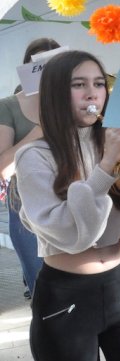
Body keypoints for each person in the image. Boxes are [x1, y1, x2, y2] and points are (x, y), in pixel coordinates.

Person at [15, 50, 120, 361]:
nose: (92, 93)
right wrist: (104, 169)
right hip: (65, 296)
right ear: (56, 93)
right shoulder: (34, 155)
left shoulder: (116, 140)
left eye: (99, 84)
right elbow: (67, 232)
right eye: (78, 85)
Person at [0, 38, 60, 299]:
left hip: (71, 203)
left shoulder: (73, 103)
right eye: (37, 65)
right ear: (26, 70)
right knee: (43, 293)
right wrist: (39, 131)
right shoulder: (8, 106)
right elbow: (3, 167)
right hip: (25, 208)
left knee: (80, 292)